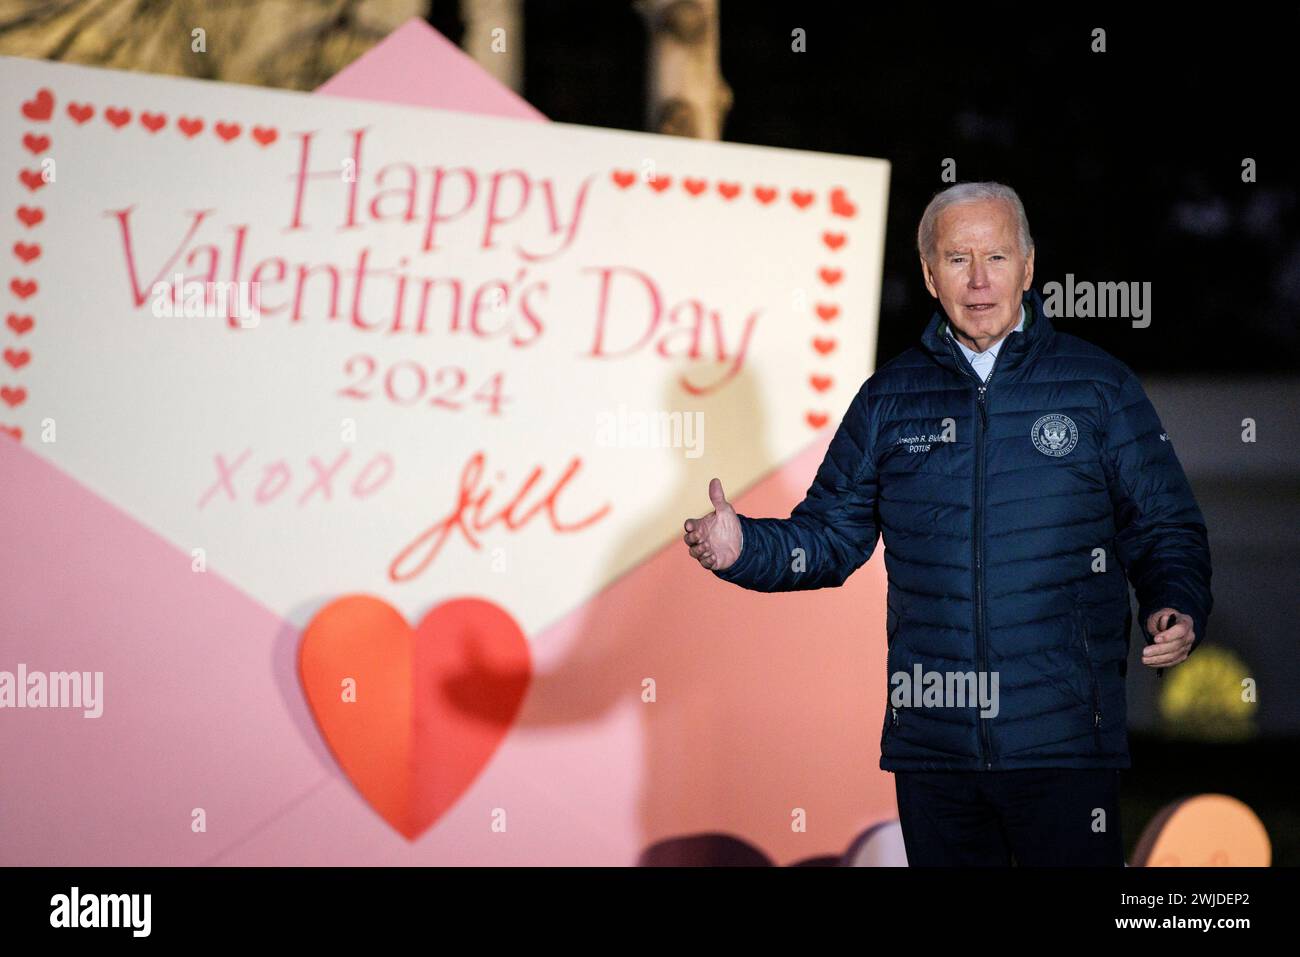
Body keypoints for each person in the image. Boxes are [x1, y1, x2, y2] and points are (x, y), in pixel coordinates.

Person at [682, 181, 1212, 866]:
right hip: (935, 752)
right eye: (958, 260)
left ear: (1028, 264)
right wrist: (745, 545)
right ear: (931, 275)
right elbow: (830, 538)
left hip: (1064, 744)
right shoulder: (888, 399)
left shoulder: (1097, 387)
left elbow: (1164, 523)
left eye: (996, 255)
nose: (981, 279)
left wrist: (1176, 600)